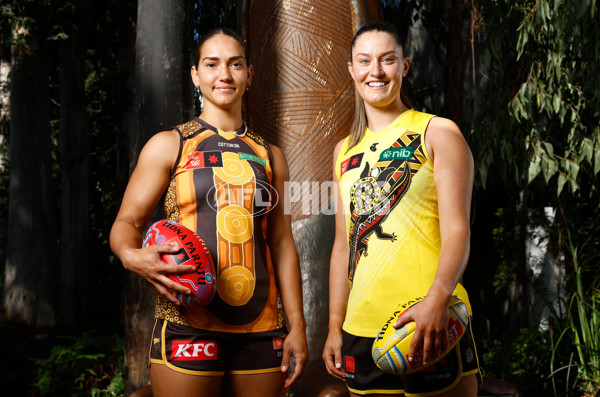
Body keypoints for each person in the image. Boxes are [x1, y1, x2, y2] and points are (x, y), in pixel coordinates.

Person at [110, 27, 308, 397]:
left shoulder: (271, 155)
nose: (224, 75)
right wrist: (130, 255)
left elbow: (281, 243)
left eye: (235, 65)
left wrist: (297, 325)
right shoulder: (170, 144)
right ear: (195, 75)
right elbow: (127, 223)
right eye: (212, 64)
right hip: (188, 324)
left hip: (262, 328)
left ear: (249, 74)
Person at [322, 21, 482, 396]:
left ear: (404, 66)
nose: (375, 71)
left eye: (387, 59)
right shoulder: (343, 151)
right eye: (364, 61)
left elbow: (458, 229)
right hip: (360, 329)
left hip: (427, 321)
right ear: (352, 70)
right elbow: (344, 246)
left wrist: (439, 299)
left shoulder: (437, 132)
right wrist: (334, 325)